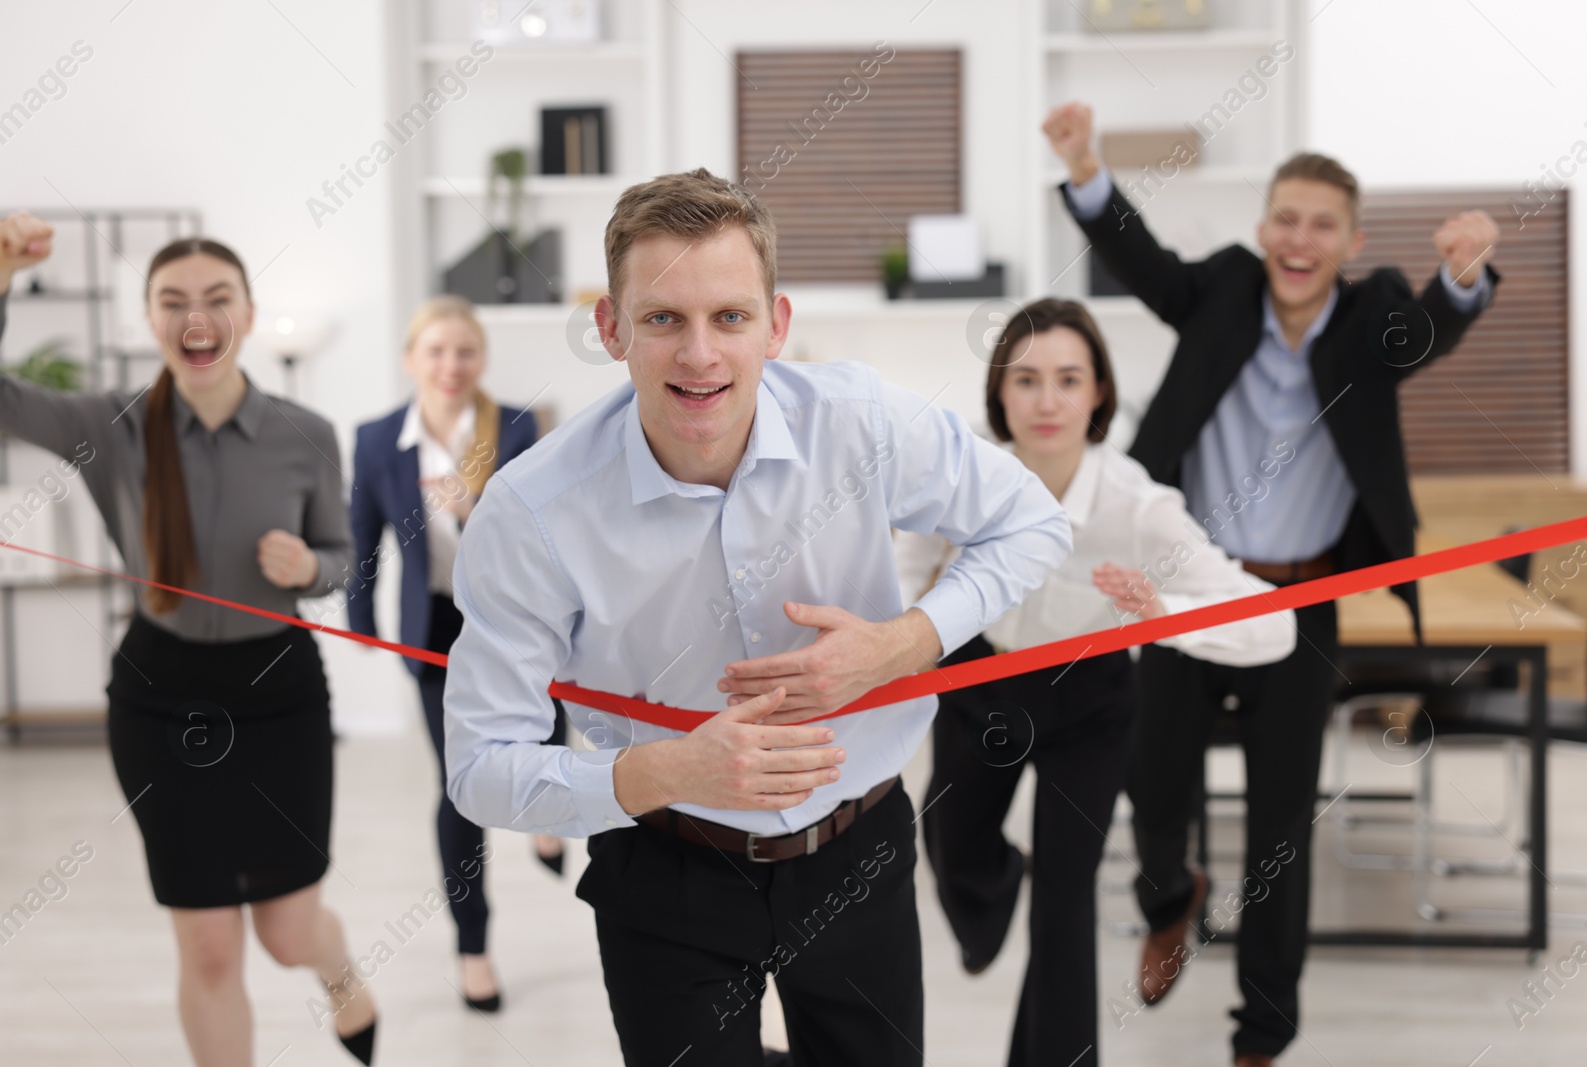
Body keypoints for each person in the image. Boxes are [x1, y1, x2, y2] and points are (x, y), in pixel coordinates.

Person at [440, 167, 1073, 1066]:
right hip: (662, 872)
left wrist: (903, 644)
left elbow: (1033, 522)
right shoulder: (532, 509)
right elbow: (478, 767)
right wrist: (662, 769)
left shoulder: (860, 421)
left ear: (775, 325)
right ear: (611, 329)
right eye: (663, 319)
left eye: (729, 317)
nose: (699, 354)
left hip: (858, 853)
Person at [1043, 102, 1501, 1066]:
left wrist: (1460, 280)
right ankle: (1170, 897)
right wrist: (1086, 166)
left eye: (1322, 224)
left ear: (1352, 241)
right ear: (1263, 228)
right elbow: (1145, 263)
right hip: (1187, 590)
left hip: (1303, 602)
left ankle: (1262, 1033)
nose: (1300, 240)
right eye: (1285, 218)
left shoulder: (1375, 314)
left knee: (1281, 825)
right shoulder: (1222, 292)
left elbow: (1429, 332)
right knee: (1154, 791)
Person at [0, 212, 377, 1065]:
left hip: (278, 691)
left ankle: (341, 972)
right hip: (159, 698)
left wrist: (306, 565)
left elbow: (343, 561)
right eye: (173, 300)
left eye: (216, 297)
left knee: (286, 932)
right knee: (208, 944)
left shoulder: (305, 433)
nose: (194, 316)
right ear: (150, 318)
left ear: (245, 312)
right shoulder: (110, 423)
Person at [896, 297, 1297, 1067]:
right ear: (999, 395)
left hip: (1090, 703)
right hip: (981, 681)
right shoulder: (957, 477)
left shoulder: (1140, 506)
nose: (1047, 401)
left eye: (1069, 379)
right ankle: (991, 894)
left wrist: (1165, 613)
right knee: (950, 851)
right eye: (1027, 380)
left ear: (1099, 394)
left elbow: (1274, 624)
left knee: (1066, 906)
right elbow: (904, 575)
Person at [346, 295, 563, 1013]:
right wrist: (362, 622)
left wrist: (476, 509)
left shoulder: (515, 426)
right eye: (435, 351)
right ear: (411, 360)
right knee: (461, 784)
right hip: (435, 625)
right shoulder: (379, 438)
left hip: (517, 618)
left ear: (482, 360)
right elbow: (363, 535)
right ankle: (473, 948)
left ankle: (546, 815)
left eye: (464, 351)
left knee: (547, 730)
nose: (450, 365)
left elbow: (546, 534)